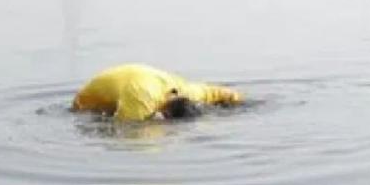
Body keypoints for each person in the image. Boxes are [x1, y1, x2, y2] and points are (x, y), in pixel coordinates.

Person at [71, 63, 242, 122]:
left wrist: (236, 101)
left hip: (137, 78)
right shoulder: (140, 100)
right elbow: (125, 128)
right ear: (166, 114)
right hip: (85, 104)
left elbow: (227, 94)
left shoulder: (187, 91)